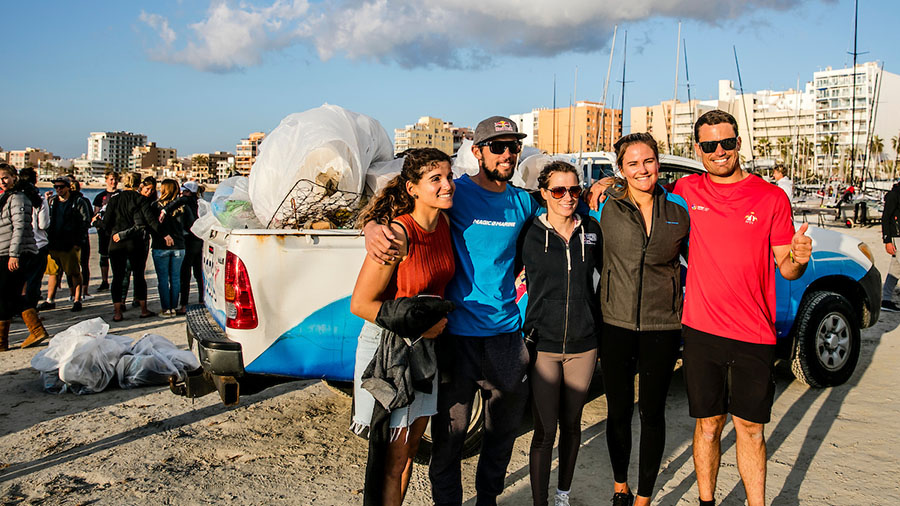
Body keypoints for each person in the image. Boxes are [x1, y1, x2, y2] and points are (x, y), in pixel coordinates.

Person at [365, 116, 539, 505]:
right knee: (449, 440)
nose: (508, 153)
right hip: (455, 339)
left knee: (500, 438)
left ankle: (487, 500)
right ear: (477, 152)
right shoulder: (454, 192)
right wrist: (373, 228)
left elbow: (568, 212)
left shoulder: (524, 201)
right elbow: (402, 204)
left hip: (506, 339)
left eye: (514, 146)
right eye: (498, 146)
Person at [675, 110, 812, 506]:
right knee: (708, 426)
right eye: (710, 145)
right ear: (698, 149)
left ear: (739, 143)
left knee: (751, 429)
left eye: (727, 143)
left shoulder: (771, 197)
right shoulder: (685, 190)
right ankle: (706, 502)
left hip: (754, 331)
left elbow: (786, 267)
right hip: (701, 329)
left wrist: (799, 259)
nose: (719, 152)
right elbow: (642, 195)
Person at [350, 148, 456, 505]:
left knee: (408, 453)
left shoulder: (445, 224)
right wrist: (417, 328)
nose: (447, 185)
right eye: (435, 179)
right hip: (391, 350)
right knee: (391, 461)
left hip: (426, 352)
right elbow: (361, 304)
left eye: (449, 176)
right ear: (412, 188)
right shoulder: (396, 235)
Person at [591, 133, 690, 506]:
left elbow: (700, 260)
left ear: (658, 163)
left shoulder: (678, 211)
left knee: (652, 413)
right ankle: (620, 486)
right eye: (632, 163)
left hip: (661, 325)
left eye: (647, 161)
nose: (642, 169)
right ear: (622, 169)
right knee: (617, 411)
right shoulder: (606, 206)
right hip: (615, 322)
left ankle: (644, 496)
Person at [518, 161, 601, 506]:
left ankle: (562, 495)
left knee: (572, 425)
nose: (567, 197)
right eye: (558, 190)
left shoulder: (593, 230)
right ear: (544, 194)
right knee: (544, 430)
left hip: (584, 344)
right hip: (543, 345)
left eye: (574, 190)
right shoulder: (528, 232)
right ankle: (540, 502)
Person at [0, 163, 49, 351]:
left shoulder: (18, 198)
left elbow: (19, 227)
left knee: (6, 295)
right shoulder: (8, 196)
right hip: (6, 251)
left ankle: (32, 331)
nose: (2, 182)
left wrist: (14, 255)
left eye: (5, 177)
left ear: (14, 177)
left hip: (13, 253)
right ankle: (31, 331)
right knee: (7, 295)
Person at [102, 172, 158, 321]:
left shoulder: (114, 200)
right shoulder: (141, 200)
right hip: (136, 243)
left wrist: (97, 223)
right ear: (138, 184)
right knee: (139, 275)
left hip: (116, 242)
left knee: (117, 277)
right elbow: (149, 221)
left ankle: (117, 312)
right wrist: (163, 233)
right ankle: (143, 309)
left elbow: (106, 223)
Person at [45, 176, 90, 312]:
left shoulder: (78, 201)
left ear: (68, 187)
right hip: (54, 243)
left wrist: (78, 241)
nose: (58, 189)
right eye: (56, 187)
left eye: (61, 187)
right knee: (53, 273)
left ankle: (77, 300)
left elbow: (85, 222)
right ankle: (50, 299)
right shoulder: (52, 202)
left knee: (74, 272)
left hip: (70, 243)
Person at [150, 179, 186, 317]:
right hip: (179, 245)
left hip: (160, 246)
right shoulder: (182, 206)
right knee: (176, 278)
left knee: (163, 279)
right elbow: (189, 224)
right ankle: (174, 306)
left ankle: (166, 308)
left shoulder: (155, 206)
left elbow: (152, 226)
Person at [17, 167, 50, 312]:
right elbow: (43, 224)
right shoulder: (39, 200)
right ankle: (30, 310)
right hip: (38, 243)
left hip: (19, 244)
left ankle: (18, 308)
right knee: (34, 280)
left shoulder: (15, 199)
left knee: (19, 279)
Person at [92, 171, 121, 291]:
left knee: (117, 257)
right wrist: (98, 225)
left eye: (115, 179)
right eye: (111, 179)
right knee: (104, 256)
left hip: (117, 229)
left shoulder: (121, 195)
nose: (113, 182)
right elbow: (96, 213)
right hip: (104, 231)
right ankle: (104, 281)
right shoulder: (100, 196)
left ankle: (117, 279)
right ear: (106, 180)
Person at [178, 180, 203, 314]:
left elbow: (187, 223)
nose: (182, 193)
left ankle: (184, 304)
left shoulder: (186, 203)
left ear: (189, 192)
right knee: (199, 273)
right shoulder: (200, 203)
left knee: (185, 273)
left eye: (184, 191)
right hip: (199, 240)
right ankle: (202, 299)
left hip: (189, 240)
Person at [880, 180, 900, 312]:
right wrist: (887, 240)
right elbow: (886, 217)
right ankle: (885, 299)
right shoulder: (894, 194)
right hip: (897, 236)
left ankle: (886, 299)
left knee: (896, 269)